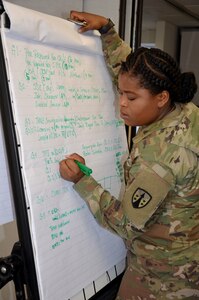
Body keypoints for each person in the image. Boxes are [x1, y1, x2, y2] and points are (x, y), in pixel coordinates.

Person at [59, 11, 199, 300]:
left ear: (162, 97)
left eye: (130, 98)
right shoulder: (184, 108)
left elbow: (125, 221)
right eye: (120, 93)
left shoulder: (162, 155)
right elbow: (135, 72)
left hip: (163, 278)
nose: (121, 104)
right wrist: (108, 31)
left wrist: (82, 181)